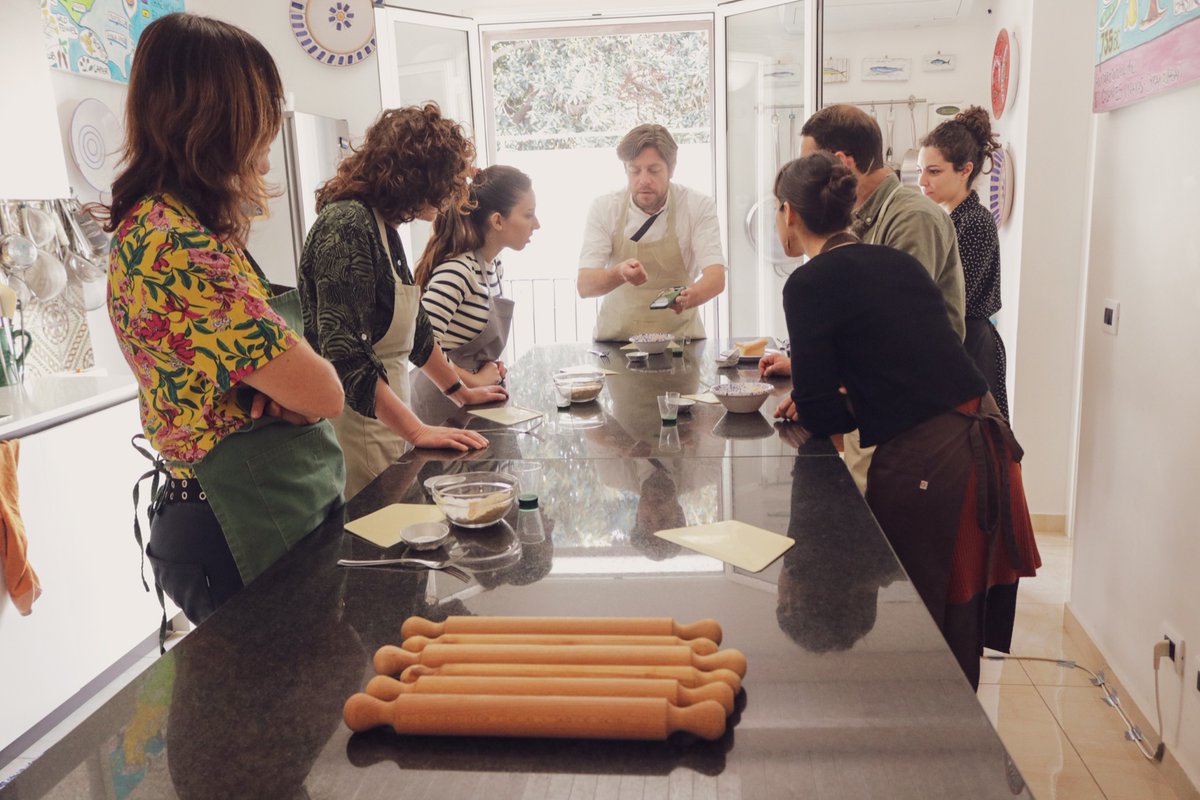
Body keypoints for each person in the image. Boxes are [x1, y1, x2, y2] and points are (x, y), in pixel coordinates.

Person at [104, 13, 346, 627]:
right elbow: (323, 390)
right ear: (219, 122)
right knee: (274, 714)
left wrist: (288, 392)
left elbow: (295, 383)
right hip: (234, 515)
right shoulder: (172, 246)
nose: (267, 147)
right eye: (262, 118)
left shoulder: (181, 228)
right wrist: (294, 397)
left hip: (251, 502)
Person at [771, 151, 1040, 689]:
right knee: (950, 615)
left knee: (925, 626)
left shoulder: (808, 283)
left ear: (788, 214)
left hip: (936, 459)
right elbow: (902, 358)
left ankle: (942, 747)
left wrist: (820, 395)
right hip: (982, 437)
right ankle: (951, 743)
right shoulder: (895, 262)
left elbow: (824, 414)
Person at [298, 104, 508, 499]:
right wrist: (417, 430)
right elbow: (345, 353)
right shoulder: (346, 225)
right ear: (417, 175)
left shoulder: (383, 225)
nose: (453, 192)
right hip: (359, 426)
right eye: (449, 179)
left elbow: (417, 331)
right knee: (380, 542)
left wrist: (461, 393)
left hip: (389, 422)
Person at [761, 103, 966, 493]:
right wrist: (807, 367)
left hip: (919, 428)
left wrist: (817, 389)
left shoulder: (911, 219)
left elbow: (901, 345)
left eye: (813, 166)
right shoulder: (870, 245)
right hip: (904, 421)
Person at [410, 165, 538, 420]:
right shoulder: (458, 271)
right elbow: (420, 344)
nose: (537, 224)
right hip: (440, 405)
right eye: (529, 214)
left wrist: (487, 366)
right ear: (497, 221)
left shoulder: (494, 268)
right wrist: (474, 379)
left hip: (471, 402)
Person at [577, 124, 726, 341]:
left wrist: (689, 297)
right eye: (634, 170)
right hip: (617, 343)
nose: (644, 180)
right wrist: (619, 272)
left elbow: (716, 277)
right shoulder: (605, 208)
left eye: (654, 170)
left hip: (680, 344)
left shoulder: (697, 206)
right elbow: (585, 285)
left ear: (671, 168)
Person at [919, 106, 1009, 419]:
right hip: (954, 345)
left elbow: (953, 299)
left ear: (964, 170)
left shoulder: (975, 223)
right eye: (922, 170)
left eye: (933, 171)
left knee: (975, 453)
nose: (922, 181)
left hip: (971, 348)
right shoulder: (950, 220)